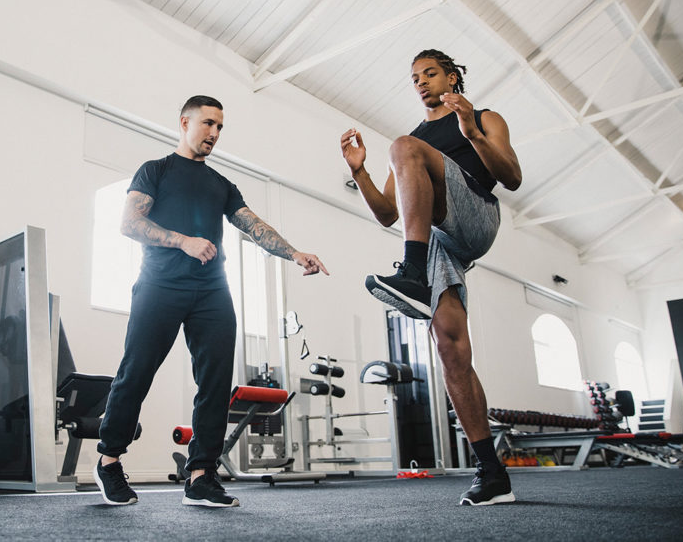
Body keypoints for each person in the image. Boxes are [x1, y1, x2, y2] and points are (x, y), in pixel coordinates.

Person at [94, 95, 329, 508]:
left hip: (212, 291)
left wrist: (294, 253)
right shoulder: (156, 171)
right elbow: (129, 223)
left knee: (216, 383)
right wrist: (183, 241)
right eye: (208, 124)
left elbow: (253, 225)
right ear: (184, 122)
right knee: (137, 372)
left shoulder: (221, 184)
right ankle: (109, 459)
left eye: (220, 127)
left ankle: (201, 474)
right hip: (159, 285)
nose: (215, 134)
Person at [339, 50, 522, 505]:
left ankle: (413, 272)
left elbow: (512, 178)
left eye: (430, 74)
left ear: (453, 77)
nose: (421, 82)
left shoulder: (483, 117)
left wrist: (473, 133)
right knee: (450, 346)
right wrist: (359, 171)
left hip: (477, 215)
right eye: (415, 78)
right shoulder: (416, 140)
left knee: (401, 146)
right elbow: (387, 213)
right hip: (440, 237)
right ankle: (492, 473)